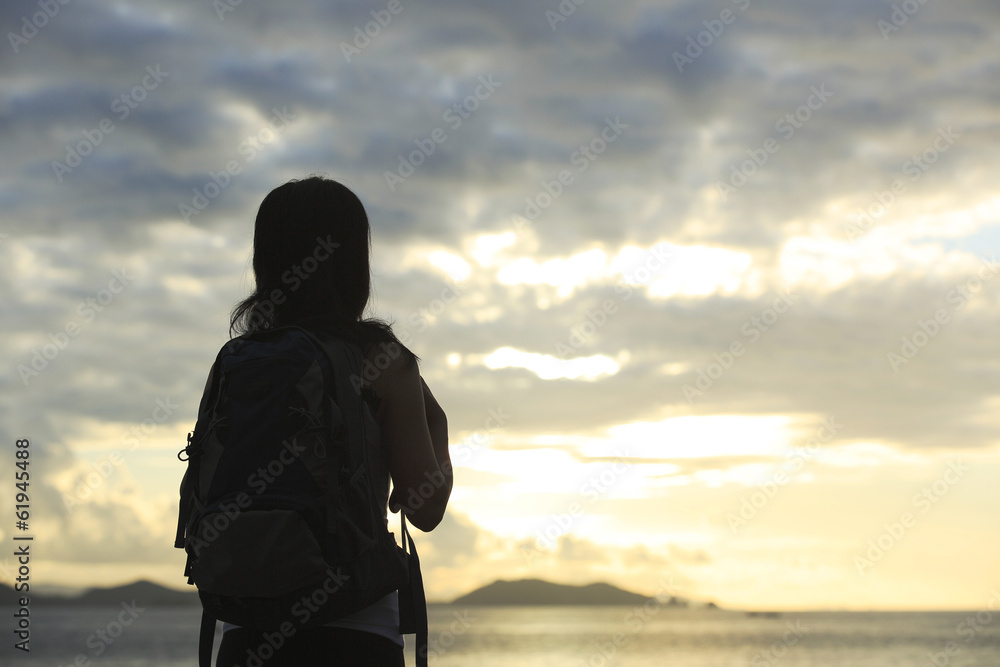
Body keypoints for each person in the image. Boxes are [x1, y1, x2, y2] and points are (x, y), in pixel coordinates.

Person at [214, 176, 452, 666]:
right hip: (355, 630)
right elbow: (425, 509)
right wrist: (438, 423)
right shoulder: (381, 359)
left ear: (266, 261)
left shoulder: (239, 360)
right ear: (353, 264)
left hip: (243, 630)